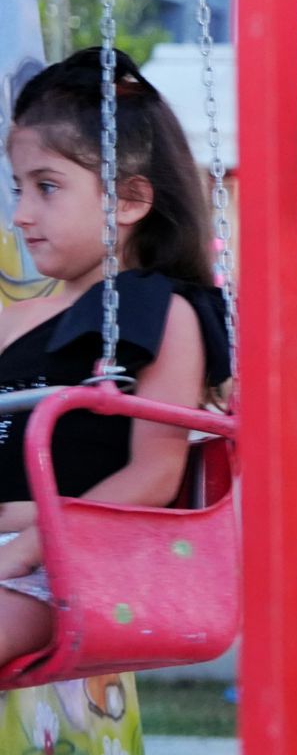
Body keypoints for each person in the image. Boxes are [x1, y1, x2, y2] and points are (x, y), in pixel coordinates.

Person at [0, 49, 231, 659]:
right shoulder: (14, 318)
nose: (22, 214)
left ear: (129, 200)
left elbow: (153, 475)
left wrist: (29, 546)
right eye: (18, 187)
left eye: (47, 187)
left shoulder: (158, 311)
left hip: (60, 568)